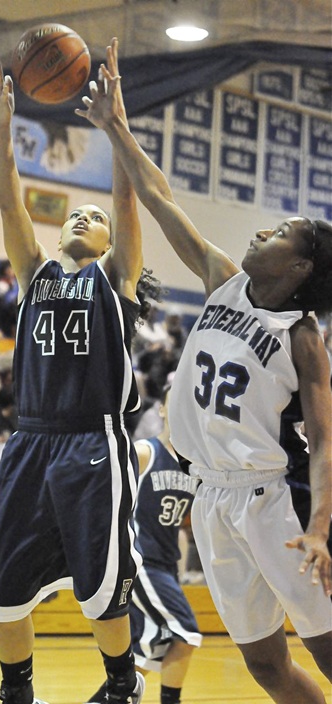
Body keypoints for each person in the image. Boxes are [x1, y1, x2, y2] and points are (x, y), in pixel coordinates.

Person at [76, 50, 332, 703]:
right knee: (266, 667)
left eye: (281, 232)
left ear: (301, 267)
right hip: (211, 498)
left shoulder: (301, 336)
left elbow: (326, 442)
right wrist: (115, 124)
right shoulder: (225, 281)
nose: (262, 230)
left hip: (274, 502)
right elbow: (159, 197)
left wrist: (322, 528)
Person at [0, 41, 146, 704]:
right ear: (58, 238)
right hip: (29, 438)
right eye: (77, 214)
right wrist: (3, 125)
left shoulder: (115, 280)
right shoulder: (36, 277)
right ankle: (16, 690)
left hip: (92, 440)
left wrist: (118, 125)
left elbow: (128, 201)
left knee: (101, 589)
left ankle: (121, 683)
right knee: (4, 588)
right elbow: (10, 207)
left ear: (110, 243)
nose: (88, 215)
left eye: (98, 218)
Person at [88, 385, 202, 704]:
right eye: (175, 403)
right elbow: (103, 494)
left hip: (165, 564)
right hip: (141, 561)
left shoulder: (196, 466)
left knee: (152, 648)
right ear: (162, 410)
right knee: (187, 632)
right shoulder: (144, 452)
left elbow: (178, 525)